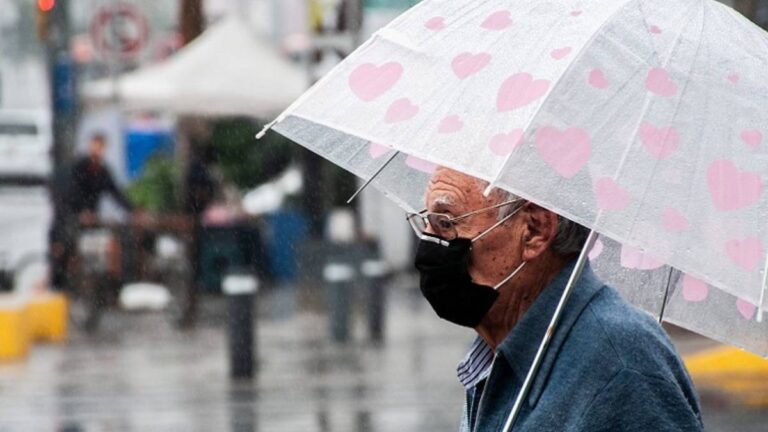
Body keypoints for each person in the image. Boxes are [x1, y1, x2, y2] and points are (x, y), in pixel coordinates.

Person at [410, 167, 703, 432]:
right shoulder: (499, 347)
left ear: (534, 230)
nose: (427, 240)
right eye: (427, 222)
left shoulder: (621, 362)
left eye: (446, 223)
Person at [50, 133, 134, 291]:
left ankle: (105, 284)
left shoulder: (103, 171)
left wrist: (133, 210)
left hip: (90, 218)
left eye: (101, 147)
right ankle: (59, 285)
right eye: (95, 146)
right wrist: (80, 212)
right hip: (70, 215)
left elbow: (115, 193)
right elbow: (69, 192)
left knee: (109, 243)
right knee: (64, 245)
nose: (97, 150)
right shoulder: (78, 167)